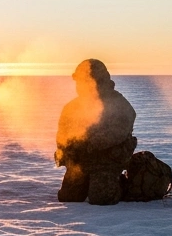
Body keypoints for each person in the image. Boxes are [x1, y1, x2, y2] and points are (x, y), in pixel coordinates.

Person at [55, 59, 138, 205]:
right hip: (81, 162)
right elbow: (63, 132)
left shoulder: (117, 102)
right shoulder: (72, 107)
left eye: (85, 80)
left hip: (107, 161)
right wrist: (65, 150)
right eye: (79, 81)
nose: (80, 85)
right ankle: (90, 182)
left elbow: (119, 131)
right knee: (68, 198)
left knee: (102, 198)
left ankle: (121, 184)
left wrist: (89, 142)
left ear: (98, 81)